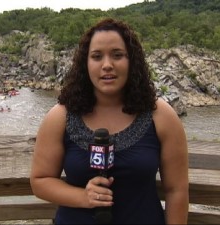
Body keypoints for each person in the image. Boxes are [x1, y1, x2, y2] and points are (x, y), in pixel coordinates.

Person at [30, 18, 188, 224]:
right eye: (97, 56)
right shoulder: (60, 116)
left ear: (132, 60)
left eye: (117, 55)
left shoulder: (160, 115)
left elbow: (176, 191)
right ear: (85, 64)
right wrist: (83, 197)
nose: (107, 65)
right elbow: (40, 181)